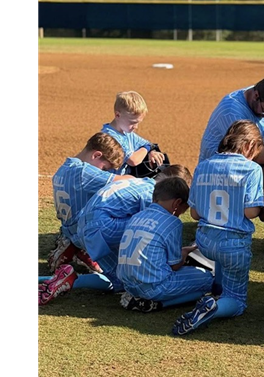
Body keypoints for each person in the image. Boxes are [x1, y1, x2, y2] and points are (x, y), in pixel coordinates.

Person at [39, 165, 195, 306]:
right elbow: (150, 229)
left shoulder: (141, 182)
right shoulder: (152, 195)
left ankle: (70, 279)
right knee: (144, 233)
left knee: (119, 280)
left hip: (87, 227)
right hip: (103, 226)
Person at [173, 120, 264, 336]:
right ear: (249, 146)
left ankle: (217, 291)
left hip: (205, 241)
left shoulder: (203, 165)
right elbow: (250, 212)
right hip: (233, 244)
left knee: (221, 262)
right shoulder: (251, 169)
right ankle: (214, 307)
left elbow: (195, 213)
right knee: (237, 301)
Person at [198, 76, 264, 256]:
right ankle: (224, 223)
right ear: (255, 95)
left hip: (246, 162)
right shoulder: (232, 109)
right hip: (219, 169)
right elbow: (247, 154)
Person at [116, 176, 215, 312]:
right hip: (155, 286)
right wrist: (185, 253)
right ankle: (157, 304)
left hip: (127, 284)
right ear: (177, 203)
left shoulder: (137, 216)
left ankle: (138, 296)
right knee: (207, 279)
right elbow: (174, 265)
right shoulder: (172, 222)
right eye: (181, 210)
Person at [48, 132, 134, 275]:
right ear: (96, 155)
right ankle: (83, 248)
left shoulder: (64, 168)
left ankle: (77, 248)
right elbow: (128, 182)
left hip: (68, 227)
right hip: (82, 230)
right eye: (104, 169)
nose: (104, 172)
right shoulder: (83, 172)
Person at [102, 90, 168, 177]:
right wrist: (148, 148)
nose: (135, 127)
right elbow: (133, 160)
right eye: (132, 122)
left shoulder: (127, 132)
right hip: (108, 183)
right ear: (117, 115)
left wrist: (151, 151)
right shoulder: (110, 136)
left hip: (120, 180)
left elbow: (146, 143)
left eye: (138, 123)